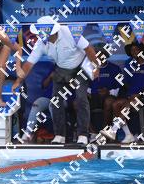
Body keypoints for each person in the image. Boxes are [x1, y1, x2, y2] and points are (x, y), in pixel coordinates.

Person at [10, 16, 101, 145]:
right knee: (55, 101)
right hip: (61, 69)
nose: (41, 35)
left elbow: (88, 48)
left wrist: (96, 66)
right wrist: (18, 81)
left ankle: (83, 135)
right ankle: (59, 135)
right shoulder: (41, 43)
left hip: (80, 67)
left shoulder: (70, 33)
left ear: (53, 31)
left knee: (81, 99)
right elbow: (29, 64)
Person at [105, 42, 144, 143]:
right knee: (116, 104)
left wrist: (139, 94)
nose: (133, 52)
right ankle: (129, 134)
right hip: (130, 97)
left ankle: (113, 130)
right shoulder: (130, 66)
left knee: (131, 103)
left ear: (142, 51)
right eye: (132, 50)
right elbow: (126, 84)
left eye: (136, 50)